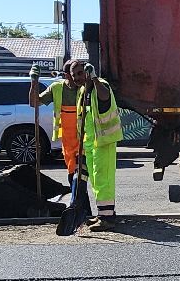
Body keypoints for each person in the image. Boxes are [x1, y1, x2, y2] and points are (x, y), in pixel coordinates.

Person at [39, 60, 122, 227]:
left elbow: (104, 96)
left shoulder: (100, 85)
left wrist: (94, 78)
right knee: (96, 182)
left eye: (80, 73)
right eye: (74, 74)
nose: (77, 77)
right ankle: (103, 214)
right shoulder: (83, 91)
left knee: (103, 180)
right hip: (90, 144)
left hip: (103, 141)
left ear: (87, 72)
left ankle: (107, 219)